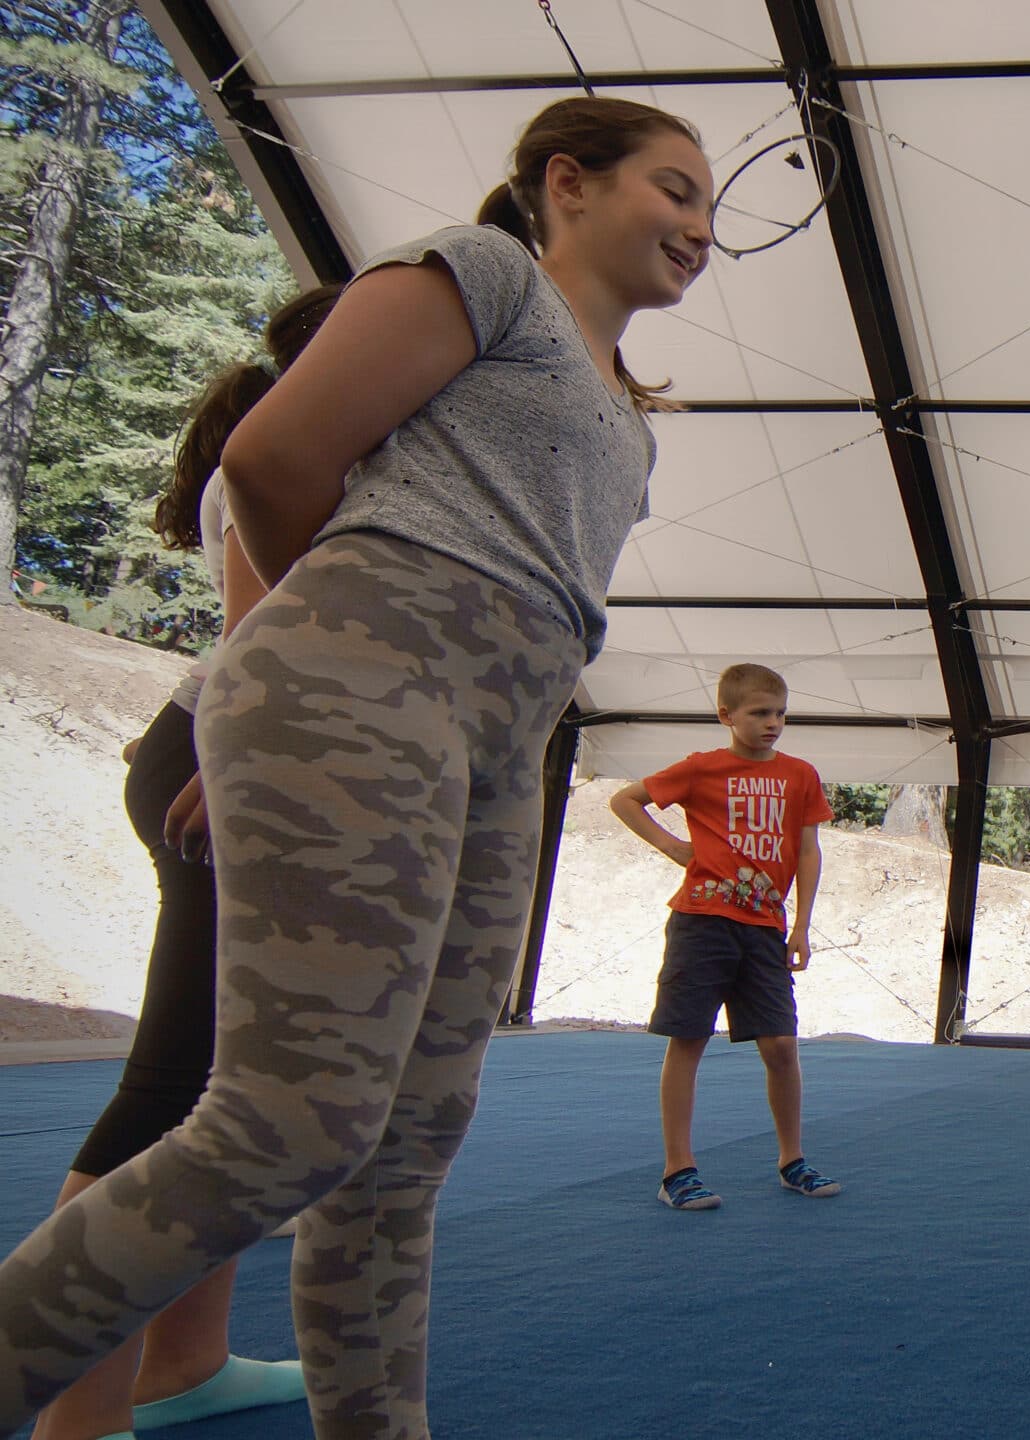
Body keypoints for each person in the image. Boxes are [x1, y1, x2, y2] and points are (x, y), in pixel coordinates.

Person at [0, 95, 714, 1437]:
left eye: (711, 209)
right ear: (567, 182)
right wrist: (339, 649)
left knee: (399, 1160)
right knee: (286, 1126)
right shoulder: (486, 272)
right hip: (367, 687)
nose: (699, 225)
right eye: (673, 189)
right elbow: (273, 457)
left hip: (502, 743)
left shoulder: (630, 419)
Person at [28, 288, 338, 1440]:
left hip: (226, 752)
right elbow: (261, 629)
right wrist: (235, 751)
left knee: (225, 1098)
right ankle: (76, 1405)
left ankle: (186, 1362)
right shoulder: (291, 451)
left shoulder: (301, 445)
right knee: (169, 1092)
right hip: (224, 760)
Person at [608, 663, 839, 1211]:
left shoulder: (799, 775)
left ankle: (792, 1159)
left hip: (766, 929)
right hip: (702, 922)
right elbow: (624, 800)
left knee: (781, 1045)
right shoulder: (701, 769)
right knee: (688, 1039)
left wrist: (802, 922)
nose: (772, 723)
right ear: (726, 715)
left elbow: (807, 850)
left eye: (781, 713)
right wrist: (674, 848)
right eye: (760, 713)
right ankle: (677, 1170)